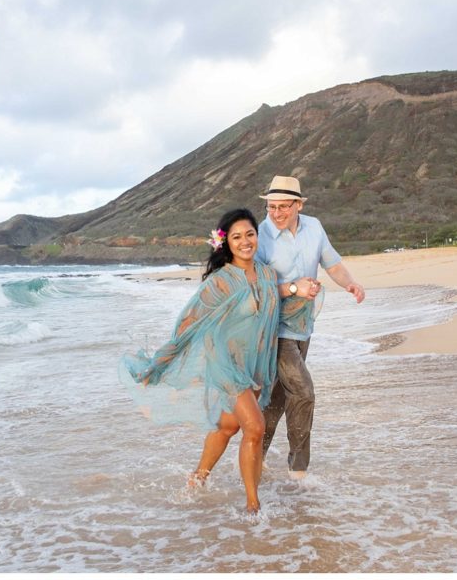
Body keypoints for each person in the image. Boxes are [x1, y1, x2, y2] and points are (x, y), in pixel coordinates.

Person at [119, 208, 317, 513]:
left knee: (227, 427)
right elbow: (189, 322)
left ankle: (197, 478)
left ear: (256, 236)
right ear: (226, 243)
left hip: (254, 365)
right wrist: (161, 362)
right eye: (236, 237)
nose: (245, 241)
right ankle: (253, 506)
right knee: (255, 428)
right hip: (226, 363)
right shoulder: (220, 282)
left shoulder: (265, 273)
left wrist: (297, 290)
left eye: (250, 234)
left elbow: (269, 298)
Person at [254, 175, 366, 480]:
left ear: (298, 205)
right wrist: (293, 288)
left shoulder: (314, 227)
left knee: (278, 396)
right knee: (304, 391)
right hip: (272, 327)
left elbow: (332, 264)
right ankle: (298, 470)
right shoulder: (260, 236)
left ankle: (255, 456)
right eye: (271, 207)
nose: (275, 214)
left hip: (304, 323)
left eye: (283, 207)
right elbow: (257, 289)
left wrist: (350, 283)